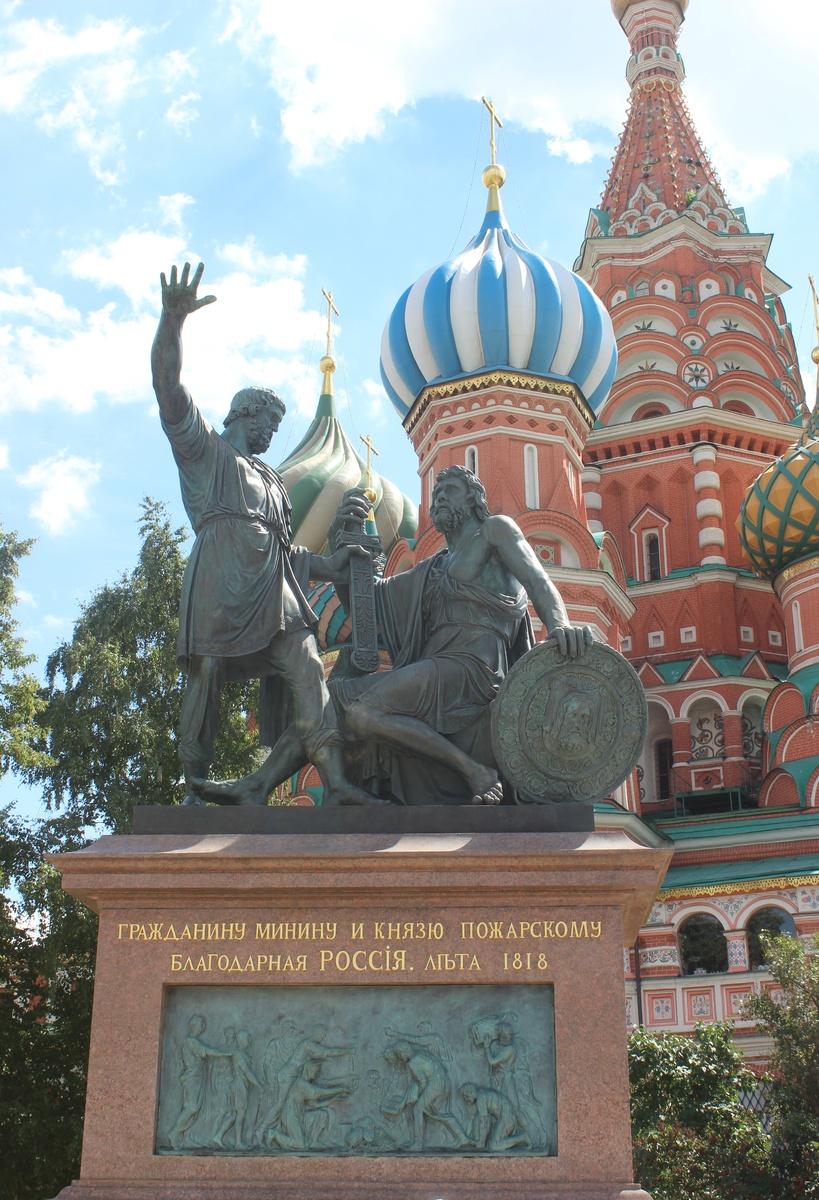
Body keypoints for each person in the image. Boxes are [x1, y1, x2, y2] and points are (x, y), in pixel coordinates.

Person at [196, 464, 593, 806]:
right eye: (435, 492)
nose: (438, 498)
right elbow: (368, 605)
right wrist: (339, 538)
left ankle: (474, 771)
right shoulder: (433, 567)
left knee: (364, 711)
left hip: (473, 671)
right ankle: (259, 785)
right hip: (437, 669)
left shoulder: (494, 531)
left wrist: (559, 624)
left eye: (449, 490)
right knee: (326, 697)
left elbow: (539, 582)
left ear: (474, 500)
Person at [151, 262, 375, 807]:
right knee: (205, 677)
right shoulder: (207, 452)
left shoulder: (273, 480)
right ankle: (194, 791)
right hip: (220, 580)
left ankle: (338, 782)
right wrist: (173, 320)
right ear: (243, 415)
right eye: (266, 425)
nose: (272, 435)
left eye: (276, 428)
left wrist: (334, 564)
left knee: (306, 667)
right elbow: (168, 388)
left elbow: (289, 553)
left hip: (273, 593)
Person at [459, 1082, 530, 1152]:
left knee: (495, 1145)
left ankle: (523, 1137)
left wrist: (481, 1142)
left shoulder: (480, 1099)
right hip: (505, 1117)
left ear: (470, 1092)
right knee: (490, 1144)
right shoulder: (482, 1092)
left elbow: (484, 1122)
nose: (466, 1099)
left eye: (466, 1096)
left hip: (507, 1116)